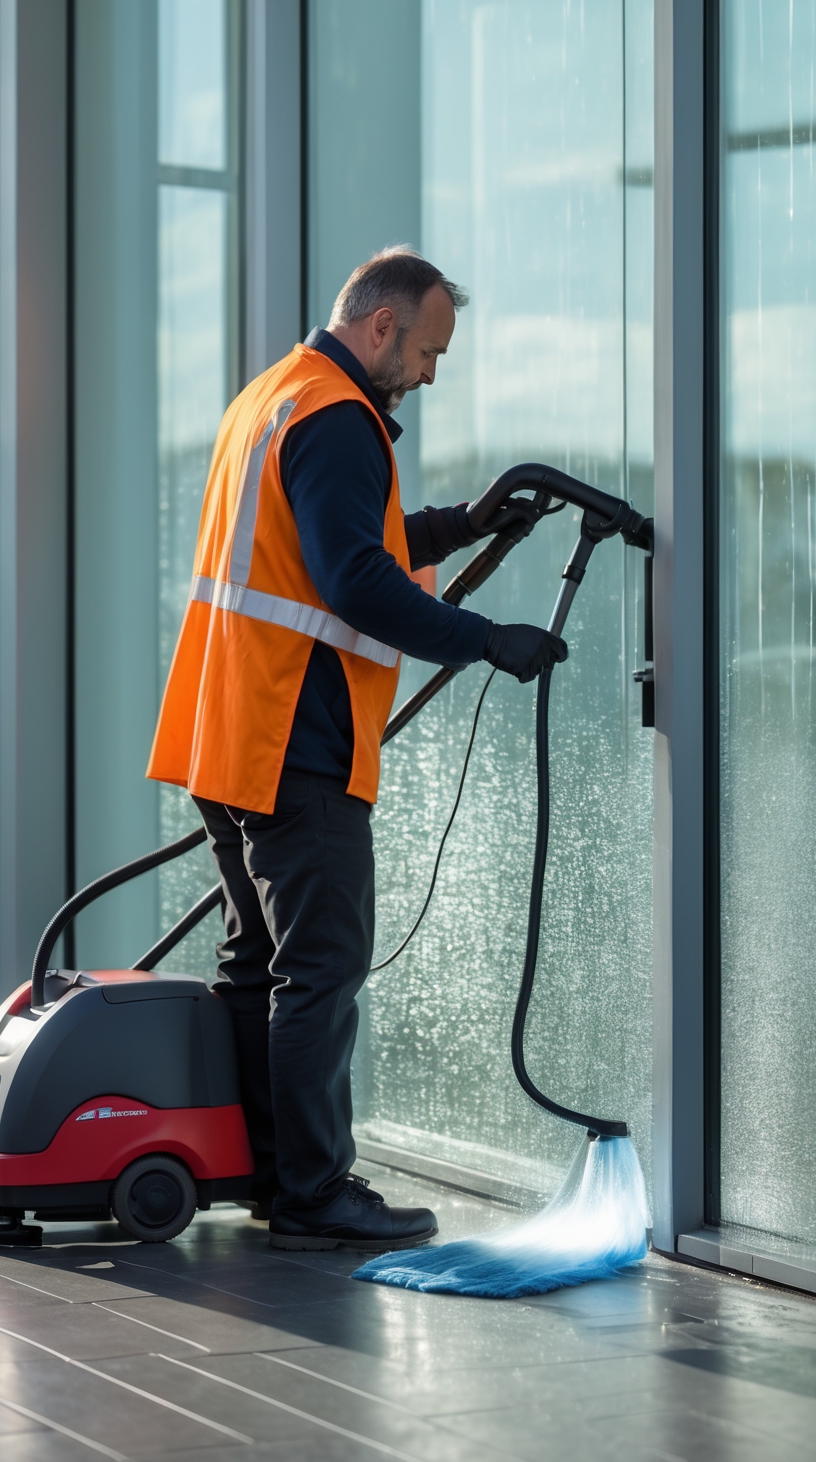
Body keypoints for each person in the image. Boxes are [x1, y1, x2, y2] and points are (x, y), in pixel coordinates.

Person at [146, 246, 568, 1250]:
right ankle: (315, 1195)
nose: (428, 373)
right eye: (426, 352)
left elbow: (332, 546)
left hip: (230, 727)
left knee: (260, 964)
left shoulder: (273, 399)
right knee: (321, 968)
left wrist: (464, 526)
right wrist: (483, 640)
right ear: (381, 327)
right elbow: (353, 582)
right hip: (298, 733)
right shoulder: (338, 418)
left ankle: (268, 1173)